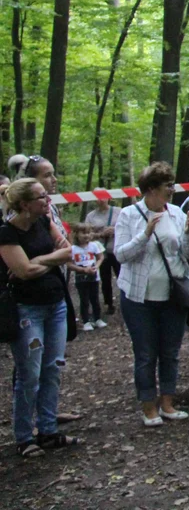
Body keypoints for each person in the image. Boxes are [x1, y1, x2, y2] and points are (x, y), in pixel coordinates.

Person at [114, 162, 189, 426]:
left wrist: (188, 233)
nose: (172, 190)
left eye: (172, 184)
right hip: (139, 298)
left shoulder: (176, 213)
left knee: (170, 352)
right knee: (146, 353)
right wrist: (145, 233)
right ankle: (148, 406)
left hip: (173, 296)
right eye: (167, 185)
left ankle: (168, 403)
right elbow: (121, 255)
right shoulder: (128, 215)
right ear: (150, 189)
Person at [1, 178, 79, 455]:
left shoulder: (45, 222)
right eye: (41, 197)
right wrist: (50, 259)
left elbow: (69, 250)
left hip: (55, 306)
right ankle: (24, 436)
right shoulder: (7, 233)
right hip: (26, 310)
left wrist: (38, 260)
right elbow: (23, 272)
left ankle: (48, 430)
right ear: (24, 204)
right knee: (29, 373)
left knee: (52, 368)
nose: (47, 200)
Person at [84, 196, 120, 315]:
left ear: (108, 198)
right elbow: (85, 234)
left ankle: (127, 300)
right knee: (105, 279)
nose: (101, 200)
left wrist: (115, 230)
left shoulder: (119, 211)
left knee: (122, 275)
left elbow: (127, 227)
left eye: (103, 197)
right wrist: (101, 234)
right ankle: (109, 303)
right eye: (98, 198)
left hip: (117, 250)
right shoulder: (91, 216)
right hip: (101, 252)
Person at [69, 224, 106, 332]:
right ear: (76, 234)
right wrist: (82, 270)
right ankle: (86, 321)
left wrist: (96, 266)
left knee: (95, 298)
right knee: (84, 299)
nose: (87, 235)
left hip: (94, 277)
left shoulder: (94, 246)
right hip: (80, 278)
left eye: (88, 233)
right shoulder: (73, 249)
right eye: (83, 233)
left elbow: (100, 257)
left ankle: (97, 318)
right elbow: (69, 264)